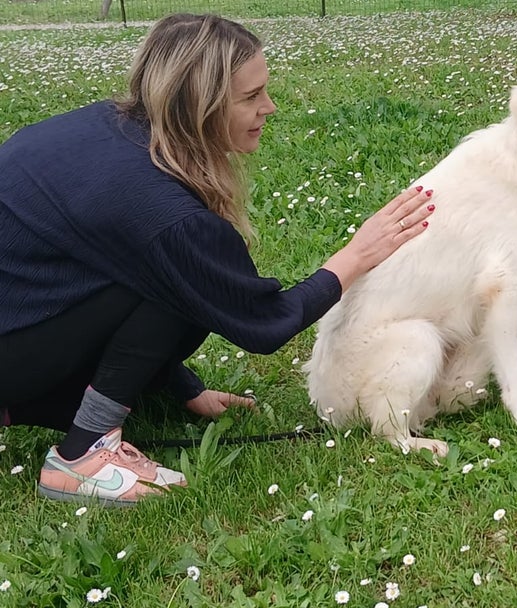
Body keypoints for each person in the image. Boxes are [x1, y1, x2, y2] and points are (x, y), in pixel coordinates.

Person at [0, 13, 435, 505]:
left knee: (184, 271)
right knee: (189, 277)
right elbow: (264, 323)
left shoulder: (106, 127)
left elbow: (98, 268)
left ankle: (30, 403)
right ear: (197, 105)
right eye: (251, 97)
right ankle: (82, 455)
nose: (269, 107)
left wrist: (181, 387)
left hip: (18, 334)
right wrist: (357, 255)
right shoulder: (164, 214)